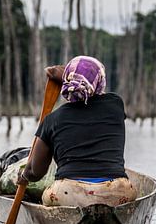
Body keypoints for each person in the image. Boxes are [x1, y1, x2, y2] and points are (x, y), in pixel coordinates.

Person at [18, 56, 137, 207]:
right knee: (128, 191)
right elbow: (92, 87)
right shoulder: (115, 105)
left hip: (68, 194)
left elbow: (36, 172)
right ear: (100, 82)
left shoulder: (51, 120)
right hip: (116, 192)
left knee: (48, 196)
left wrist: (24, 176)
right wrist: (58, 73)